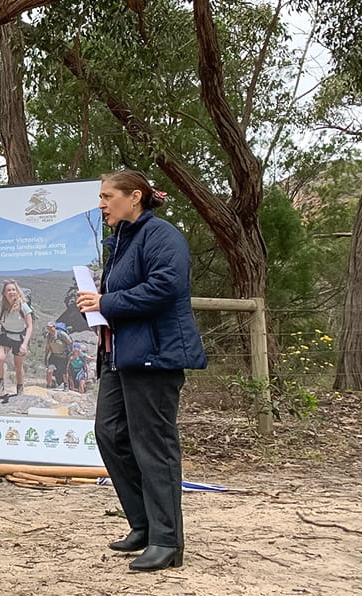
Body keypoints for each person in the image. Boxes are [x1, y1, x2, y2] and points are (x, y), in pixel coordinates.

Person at [76, 170, 207, 573]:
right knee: (109, 434)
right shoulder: (122, 243)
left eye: (106, 196)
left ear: (134, 197)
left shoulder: (162, 235)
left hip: (155, 356)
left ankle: (167, 541)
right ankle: (144, 525)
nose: (101, 204)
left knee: (154, 446)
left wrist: (105, 303)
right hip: (120, 357)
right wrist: (102, 306)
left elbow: (166, 287)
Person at [0, 280, 33, 396]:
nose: (11, 292)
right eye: (8, 290)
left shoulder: (23, 306)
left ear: (17, 291)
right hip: (6, 335)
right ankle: (0, 384)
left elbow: (29, 326)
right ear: (4, 293)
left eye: (13, 289)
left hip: (19, 337)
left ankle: (20, 388)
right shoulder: (1, 306)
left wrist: (24, 344)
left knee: (18, 365)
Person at [43, 322, 72, 390]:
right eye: (48, 327)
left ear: (54, 327)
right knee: (49, 370)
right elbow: (48, 347)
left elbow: (70, 343)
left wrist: (70, 354)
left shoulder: (61, 334)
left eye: (50, 327)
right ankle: (48, 386)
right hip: (54, 356)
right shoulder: (49, 336)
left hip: (63, 356)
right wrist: (45, 357)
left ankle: (66, 385)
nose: (49, 329)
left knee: (64, 372)